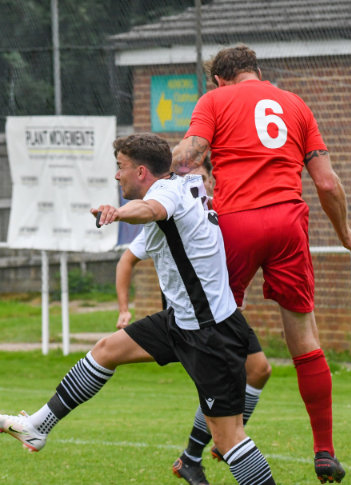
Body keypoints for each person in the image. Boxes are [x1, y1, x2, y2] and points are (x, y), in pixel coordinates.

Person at [0, 133, 277, 485]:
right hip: (184, 321)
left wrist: (118, 212)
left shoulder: (165, 195)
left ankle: (201, 451)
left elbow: (151, 209)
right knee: (106, 351)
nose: (116, 175)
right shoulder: (183, 185)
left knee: (229, 438)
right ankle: (37, 427)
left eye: (120, 167)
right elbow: (145, 234)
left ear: (141, 171)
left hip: (207, 332)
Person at [172, 44, 351, 484]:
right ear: (257, 71)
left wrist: (154, 168)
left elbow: (189, 155)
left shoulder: (214, 100)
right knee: (305, 339)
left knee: (217, 338)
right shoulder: (295, 104)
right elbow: (327, 183)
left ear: (219, 79)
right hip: (288, 224)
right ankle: (324, 451)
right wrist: (346, 234)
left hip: (236, 224)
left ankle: (197, 451)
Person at [114, 157, 272, 485]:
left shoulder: (213, 208)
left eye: (201, 177)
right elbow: (128, 257)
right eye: (190, 177)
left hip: (225, 315)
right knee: (227, 426)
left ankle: (197, 454)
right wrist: (124, 308)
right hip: (198, 322)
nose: (195, 182)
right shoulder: (174, 208)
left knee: (259, 370)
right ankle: (215, 447)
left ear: (210, 180)